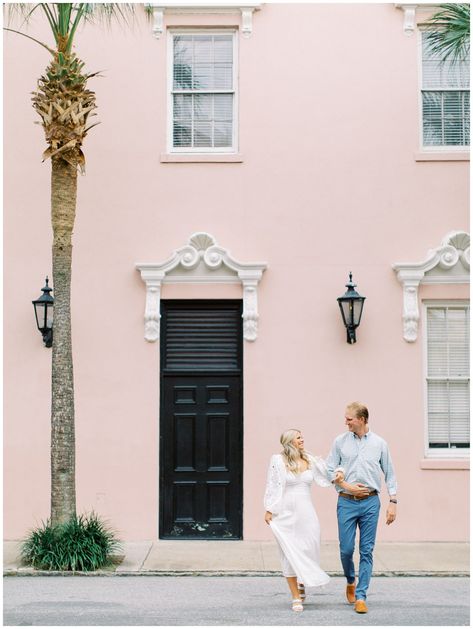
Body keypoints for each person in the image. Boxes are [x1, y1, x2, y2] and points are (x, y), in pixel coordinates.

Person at [326, 402, 398, 614]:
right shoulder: (340, 442)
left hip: (370, 502)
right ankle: (350, 579)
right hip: (346, 501)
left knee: (366, 550)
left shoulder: (379, 444)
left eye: (349, 418)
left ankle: (361, 595)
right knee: (346, 549)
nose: (345, 422)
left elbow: (390, 474)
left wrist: (393, 502)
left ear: (362, 420)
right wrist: (346, 485)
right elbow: (329, 469)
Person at [264, 429, 344, 612]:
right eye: (298, 437)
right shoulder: (278, 460)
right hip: (285, 515)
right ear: (290, 441)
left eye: (302, 437)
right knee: (288, 553)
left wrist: (338, 474)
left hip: (307, 514)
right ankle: (295, 596)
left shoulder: (310, 459)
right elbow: (273, 484)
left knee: (309, 549)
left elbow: (327, 476)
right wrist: (270, 509)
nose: (302, 439)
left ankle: (302, 580)